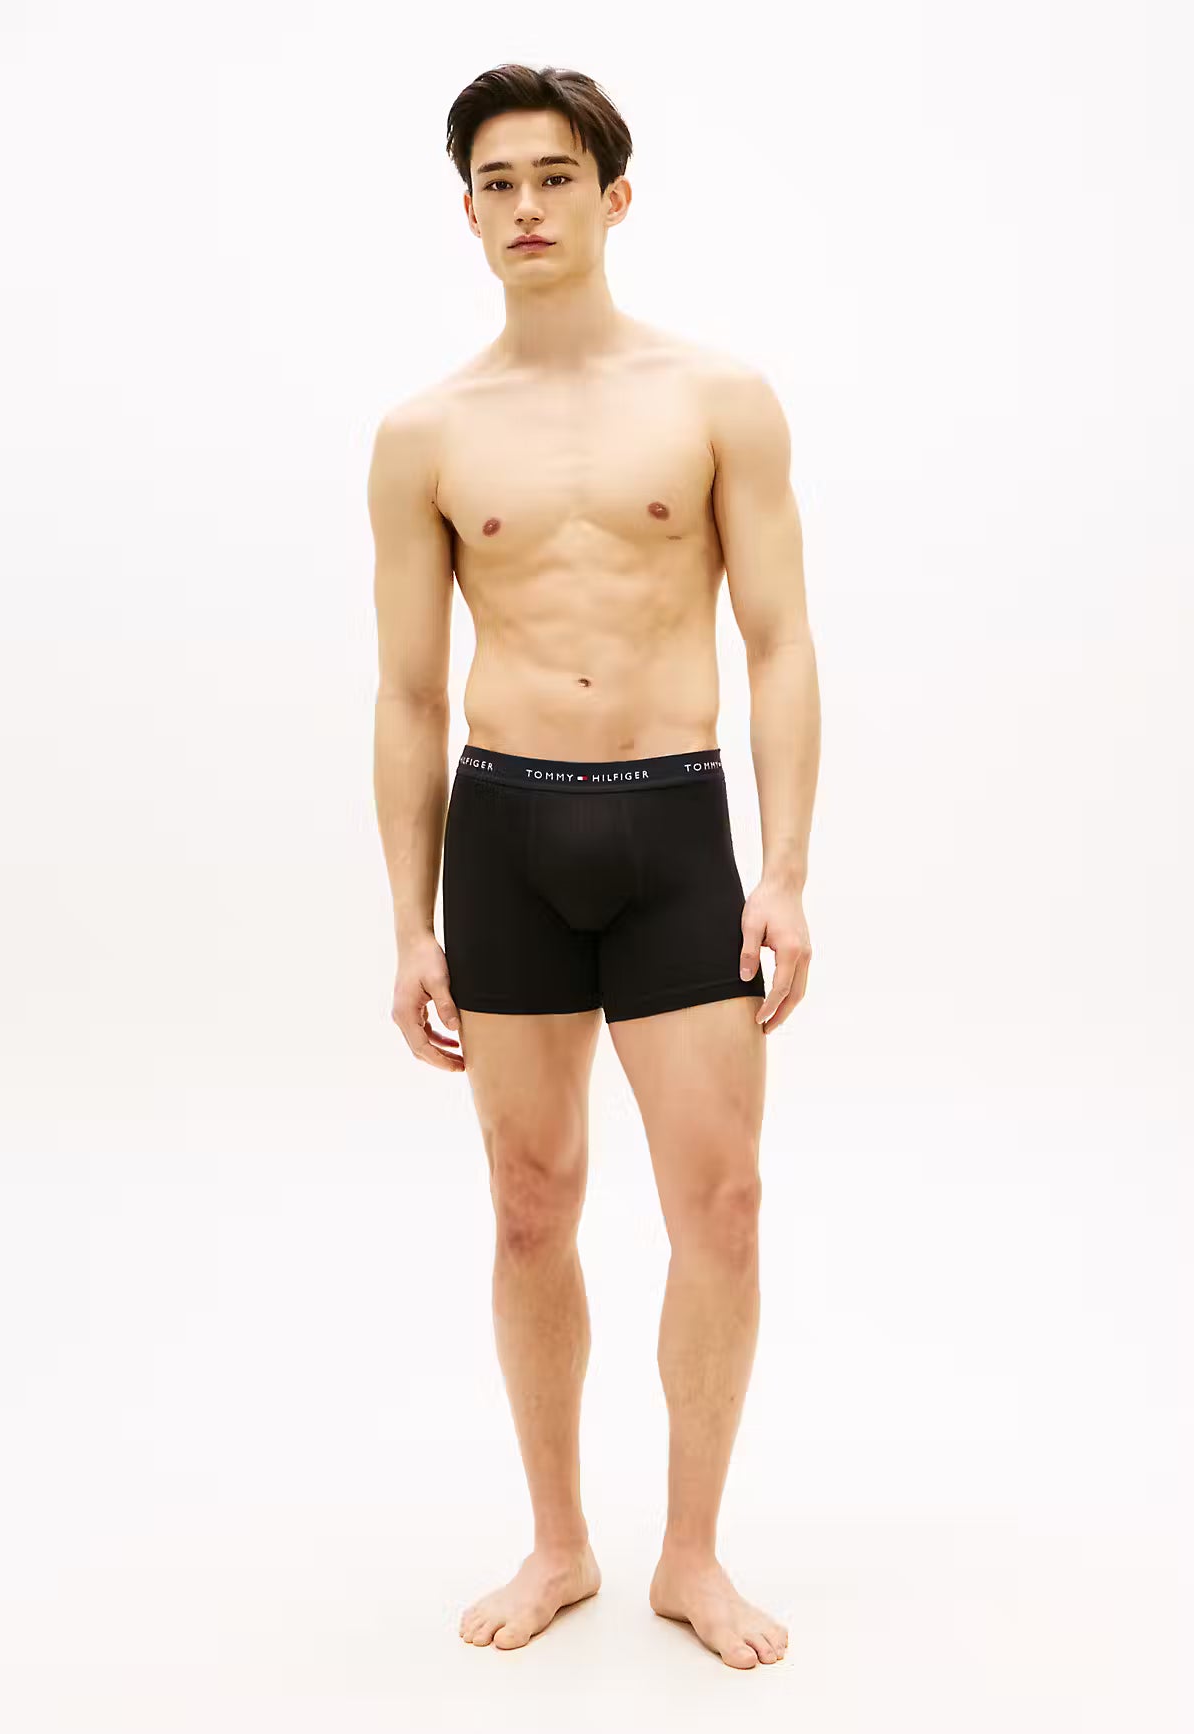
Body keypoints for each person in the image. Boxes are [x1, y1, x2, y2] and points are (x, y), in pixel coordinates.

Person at [368, 63, 820, 1670]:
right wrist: (409, 920)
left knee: (725, 1203)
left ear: (614, 198)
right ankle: (559, 1540)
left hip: (673, 829)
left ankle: (691, 1554)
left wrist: (785, 868)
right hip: (505, 836)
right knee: (528, 1206)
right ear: (468, 212)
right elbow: (409, 694)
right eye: (497, 183)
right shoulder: (423, 433)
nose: (527, 207)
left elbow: (779, 642)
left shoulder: (716, 398)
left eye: (555, 177)